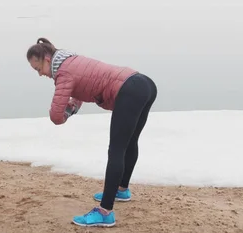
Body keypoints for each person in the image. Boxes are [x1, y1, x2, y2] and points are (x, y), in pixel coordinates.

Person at [26, 38, 157, 227]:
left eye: (38, 69)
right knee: (129, 142)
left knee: (116, 150)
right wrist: (73, 106)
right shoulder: (71, 60)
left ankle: (105, 212)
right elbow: (83, 89)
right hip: (143, 84)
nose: (39, 74)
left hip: (128, 90)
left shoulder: (63, 73)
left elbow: (56, 115)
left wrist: (68, 113)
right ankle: (121, 189)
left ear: (47, 59)